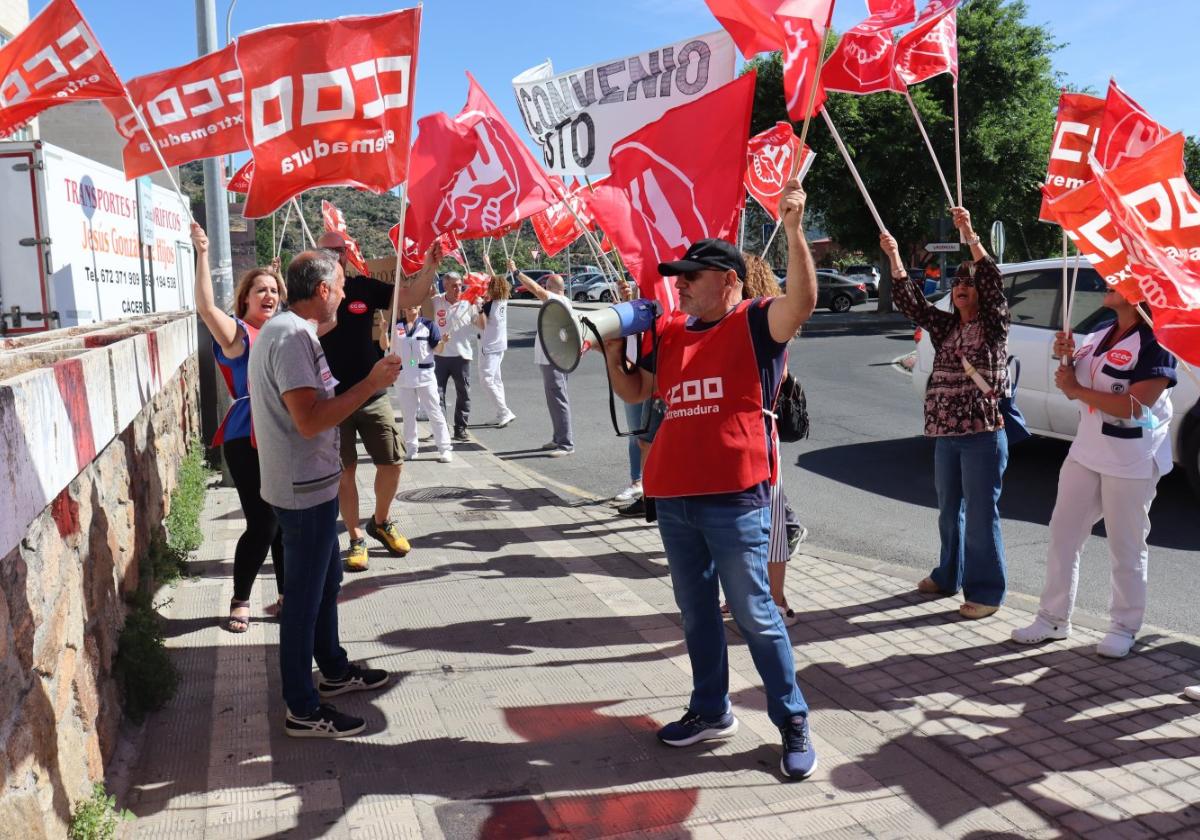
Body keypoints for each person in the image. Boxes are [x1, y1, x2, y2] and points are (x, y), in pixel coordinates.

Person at [603, 179, 820, 780]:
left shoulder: (754, 322)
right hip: (673, 497)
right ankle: (709, 709)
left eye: (692, 276)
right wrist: (611, 352)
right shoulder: (671, 333)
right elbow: (636, 391)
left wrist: (795, 231)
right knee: (696, 612)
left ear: (728, 280)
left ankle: (793, 719)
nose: (680, 284)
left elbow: (801, 303)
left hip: (734, 497)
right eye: (678, 276)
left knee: (753, 611)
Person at [247, 249, 404, 738]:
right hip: (302, 489)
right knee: (302, 601)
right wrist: (371, 383)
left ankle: (333, 671)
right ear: (321, 291)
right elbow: (311, 418)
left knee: (326, 583)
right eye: (339, 285)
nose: (345, 292)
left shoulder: (294, 332)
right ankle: (302, 708)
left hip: (308, 482)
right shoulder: (292, 337)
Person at [1011, 292, 1176, 658]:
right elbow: (1073, 387)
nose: (1109, 281)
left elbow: (1137, 406)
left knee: (1126, 546)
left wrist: (1076, 388)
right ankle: (1053, 617)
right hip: (1086, 452)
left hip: (1131, 459)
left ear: (1140, 294)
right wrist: (1066, 356)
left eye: (1120, 278)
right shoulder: (1100, 331)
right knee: (1063, 535)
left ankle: (1124, 626)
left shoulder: (1157, 341)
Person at [884, 208, 1010, 620]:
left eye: (968, 284)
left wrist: (970, 235)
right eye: (957, 284)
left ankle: (986, 592)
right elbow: (914, 306)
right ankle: (947, 574)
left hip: (981, 433)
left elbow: (992, 283)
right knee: (948, 510)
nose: (962, 288)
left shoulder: (993, 324)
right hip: (945, 433)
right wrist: (896, 259)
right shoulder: (946, 327)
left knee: (978, 514)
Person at [316, 231, 440, 572]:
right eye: (325, 251)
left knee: (392, 460)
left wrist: (429, 266)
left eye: (337, 250)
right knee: (344, 472)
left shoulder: (364, 287)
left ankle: (381, 522)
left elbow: (412, 295)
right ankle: (356, 537)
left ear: (347, 253)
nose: (332, 256)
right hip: (331, 398)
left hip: (372, 391)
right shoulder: (311, 296)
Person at [191, 223, 287, 633]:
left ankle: (288, 596)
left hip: (284, 434)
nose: (269, 296)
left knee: (285, 520)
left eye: (275, 291)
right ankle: (241, 598)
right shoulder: (238, 334)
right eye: (261, 290)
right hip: (246, 436)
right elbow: (206, 309)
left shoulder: (286, 332)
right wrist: (202, 254)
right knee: (262, 522)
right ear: (246, 298)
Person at [512, 262, 574, 456]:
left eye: (548, 287)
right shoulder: (559, 302)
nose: (544, 290)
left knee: (558, 399)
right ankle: (558, 438)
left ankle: (566, 444)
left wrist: (517, 272)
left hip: (555, 360)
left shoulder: (558, 300)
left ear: (554, 289)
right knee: (554, 400)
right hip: (550, 359)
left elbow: (535, 289)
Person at [395, 302, 453, 463]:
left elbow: (438, 349)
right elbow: (386, 347)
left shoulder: (428, 325)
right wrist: (383, 332)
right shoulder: (396, 326)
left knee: (435, 412)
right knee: (408, 415)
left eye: (414, 304)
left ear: (419, 306)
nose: (410, 306)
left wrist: (444, 342)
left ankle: (445, 448)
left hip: (425, 377)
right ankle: (412, 448)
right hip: (404, 377)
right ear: (403, 307)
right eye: (408, 304)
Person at [432, 272, 483, 442]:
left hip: (462, 356)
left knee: (464, 394)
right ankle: (440, 428)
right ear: (445, 285)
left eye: (460, 285)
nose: (458, 288)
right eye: (454, 285)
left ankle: (460, 428)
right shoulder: (437, 301)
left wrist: (480, 307)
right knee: (437, 394)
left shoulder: (468, 302)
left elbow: (481, 325)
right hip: (440, 355)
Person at [478, 265, 517, 427]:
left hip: (489, 346)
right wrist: (487, 264)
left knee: (486, 380)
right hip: (500, 345)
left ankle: (504, 411)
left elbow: (480, 324)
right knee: (496, 380)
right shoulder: (503, 301)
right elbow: (497, 281)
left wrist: (476, 306)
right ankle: (501, 413)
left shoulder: (488, 306)